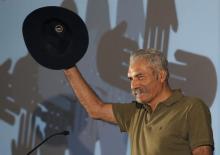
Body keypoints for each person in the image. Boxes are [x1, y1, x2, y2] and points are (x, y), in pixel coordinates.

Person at [64, 48, 214, 155]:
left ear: (161, 76)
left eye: (140, 77)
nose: (134, 85)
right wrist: (66, 63)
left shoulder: (191, 107)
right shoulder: (135, 112)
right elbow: (95, 109)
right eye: (131, 78)